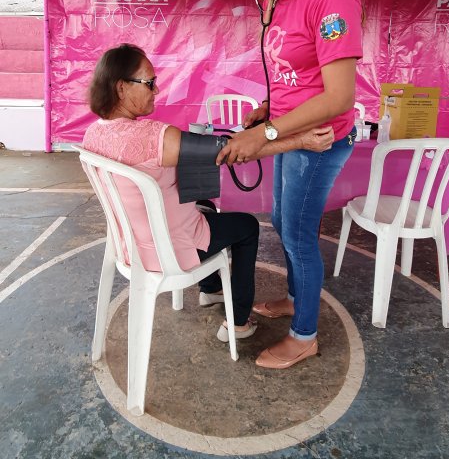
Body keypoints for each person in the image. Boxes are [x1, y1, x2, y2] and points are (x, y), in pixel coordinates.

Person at [83, 44, 334, 345]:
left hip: (132, 245)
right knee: (247, 227)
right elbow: (228, 150)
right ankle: (239, 321)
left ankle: (211, 288)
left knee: (204, 203)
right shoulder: (151, 136)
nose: (156, 89)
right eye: (149, 82)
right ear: (121, 88)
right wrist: (301, 141)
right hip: (168, 249)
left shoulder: (94, 133)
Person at [217, 0, 363, 369]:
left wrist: (268, 132)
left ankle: (305, 335)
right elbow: (291, 68)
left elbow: (339, 96)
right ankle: (298, 298)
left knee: (297, 234)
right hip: (288, 125)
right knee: (283, 221)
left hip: (317, 137)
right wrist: (268, 107)